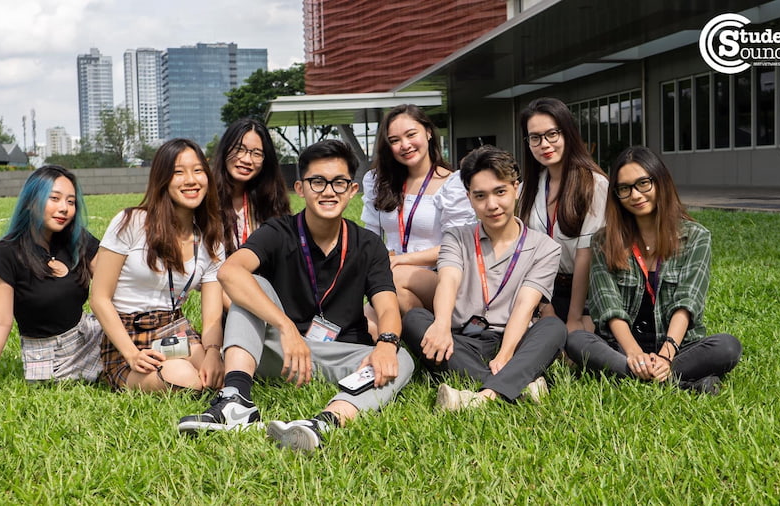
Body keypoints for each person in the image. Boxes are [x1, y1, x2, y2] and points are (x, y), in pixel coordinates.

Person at [178, 140, 414, 451]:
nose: (328, 191)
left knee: (402, 357)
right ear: (300, 188)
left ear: (352, 190)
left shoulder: (368, 244)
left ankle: (323, 423)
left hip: (336, 353)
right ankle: (235, 401)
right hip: (278, 352)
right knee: (252, 285)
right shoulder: (279, 232)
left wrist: (386, 342)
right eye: (318, 182)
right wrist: (287, 327)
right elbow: (229, 272)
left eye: (338, 182)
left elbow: (386, 305)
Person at [564, 146, 742, 394]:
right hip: (623, 348)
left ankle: (653, 374)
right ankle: (683, 382)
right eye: (625, 188)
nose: (635, 195)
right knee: (576, 341)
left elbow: (687, 302)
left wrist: (667, 355)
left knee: (728, 347)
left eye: (643, 183)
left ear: (660, 182)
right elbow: (609, 307)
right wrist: (635, 354)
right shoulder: (604, 241)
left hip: (677, 346)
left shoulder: (696, 236)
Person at [401, 146, 566, 410]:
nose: (492, 205)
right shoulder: (457, 237)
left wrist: (505, 355)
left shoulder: (545, 247)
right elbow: (448, 280)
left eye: (500, 192)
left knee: (553, 328)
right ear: (469, 198)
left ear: (516, 188)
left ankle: (481, 397)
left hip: (511, 339)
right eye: (480, 196)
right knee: (415, 320)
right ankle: (518, 386)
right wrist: (442, 325)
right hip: (460, 340)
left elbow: (525, 306)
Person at [90, 138, 225, 393]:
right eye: (178, 172)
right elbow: (99, 298)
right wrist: (131, 354)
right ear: (162, 179)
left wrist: (213, 353)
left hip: (177, 331)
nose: (191, 180)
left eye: (198, 171)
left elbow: (211, 319)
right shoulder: (130, 222)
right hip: (129, 336)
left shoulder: (210, 240)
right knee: (187, 380)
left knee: (221, 378)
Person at [0, 165, 102, 398]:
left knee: (145, 334)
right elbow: (0, 322)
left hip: (88, 332)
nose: (64, 208)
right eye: (54, 198)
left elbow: (113, 285)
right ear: (31, 201)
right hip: (49, 358)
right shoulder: (7, 253)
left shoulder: (76, 239)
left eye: (71, 202)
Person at [361, 104, 474, 327]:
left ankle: (440, 327)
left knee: (394, 279)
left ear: (428, 133)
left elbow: (458, 246)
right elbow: (370, 236)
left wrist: (399, 260)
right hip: (393, 275)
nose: (405, 145)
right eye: (394, 140)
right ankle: (416, 334)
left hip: (441, 278)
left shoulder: (453, 183)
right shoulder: (377, 181)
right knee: (367, 327)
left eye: (411, 135)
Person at [518, 97, 609, 332]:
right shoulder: (527, 188)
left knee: (573, 347)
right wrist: (544, 306)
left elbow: (585, 255)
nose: (544, 144)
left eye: (552, 134)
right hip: (541, 290)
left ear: (567, 133)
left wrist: (573, 319)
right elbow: (524, 253)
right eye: (535, 138)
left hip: (586, 294)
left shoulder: (594, 185)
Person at [211, 118, 290, 255]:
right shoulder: (206, 200)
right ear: (225, 150)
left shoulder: (272, 203)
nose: (247, 160)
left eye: (257, 153)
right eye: (239, 149)